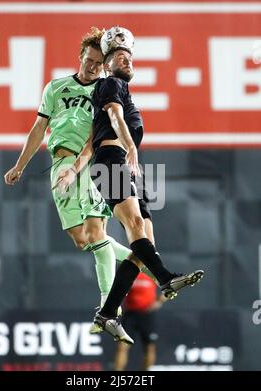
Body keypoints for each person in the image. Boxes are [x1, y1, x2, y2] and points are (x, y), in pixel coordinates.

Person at [57, 27, 204, 344]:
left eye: (128, 56)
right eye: (118, 56)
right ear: (108, 65)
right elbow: (113, 117)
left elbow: (88, 143)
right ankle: (165, 278)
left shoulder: (121, 88)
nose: (125, 60)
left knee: (143, 247)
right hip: (114, 159)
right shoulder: (110, 85)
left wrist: (76, 169)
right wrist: (131, 147)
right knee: (135, 226)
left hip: (124, 163)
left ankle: (107, 313)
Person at [4, 27, 138, 322]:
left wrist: (83, 164)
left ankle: (110, 303)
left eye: (98, 63)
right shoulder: (56, 87)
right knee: (82, 240)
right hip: (59, 163)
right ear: (80, 57)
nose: (92, 67)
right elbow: (39, 128)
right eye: (88, 60)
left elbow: (103, 130)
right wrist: (20, 165)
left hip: (89, 163)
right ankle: (139, 258)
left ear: (105, 65)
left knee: (95, 233)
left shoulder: (105, 89)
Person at [113, 272, 167, 371]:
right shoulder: (129, 271)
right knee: (122, 346)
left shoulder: (153, 272)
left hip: (147, 314)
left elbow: (171, 286)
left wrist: (160, 301)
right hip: (130, 315)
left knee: (149, 347)